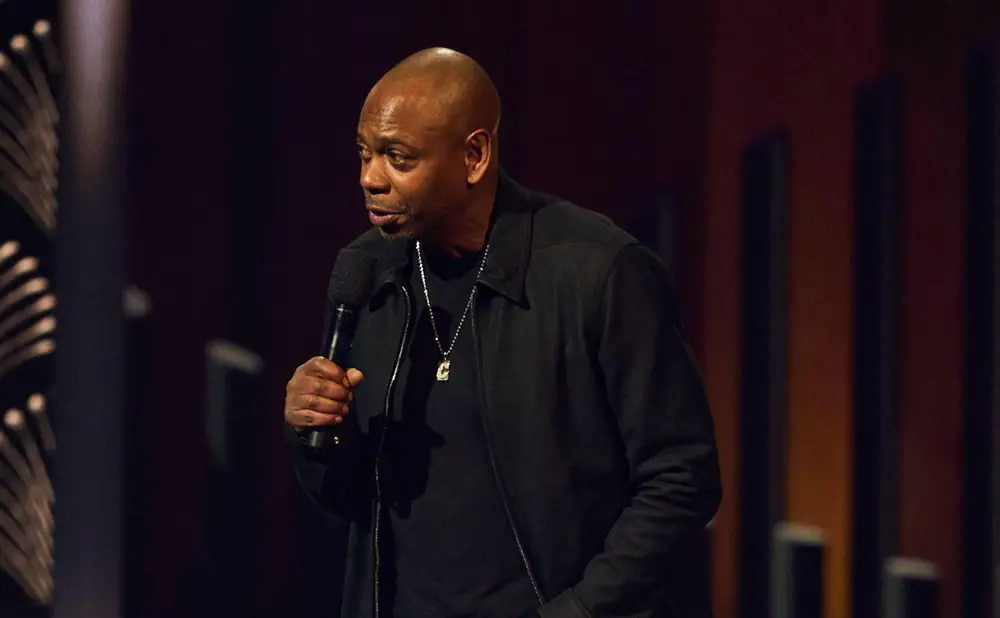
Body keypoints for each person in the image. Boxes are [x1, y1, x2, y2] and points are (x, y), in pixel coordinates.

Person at [284, 47, 722, 618]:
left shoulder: (597, 271)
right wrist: (317, 429)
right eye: (364, 154)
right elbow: (347, 501)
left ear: (474, 155)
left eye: (398, 157)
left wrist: (581, 610)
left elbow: (681, 480)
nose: (370, 178)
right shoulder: (369, 275)